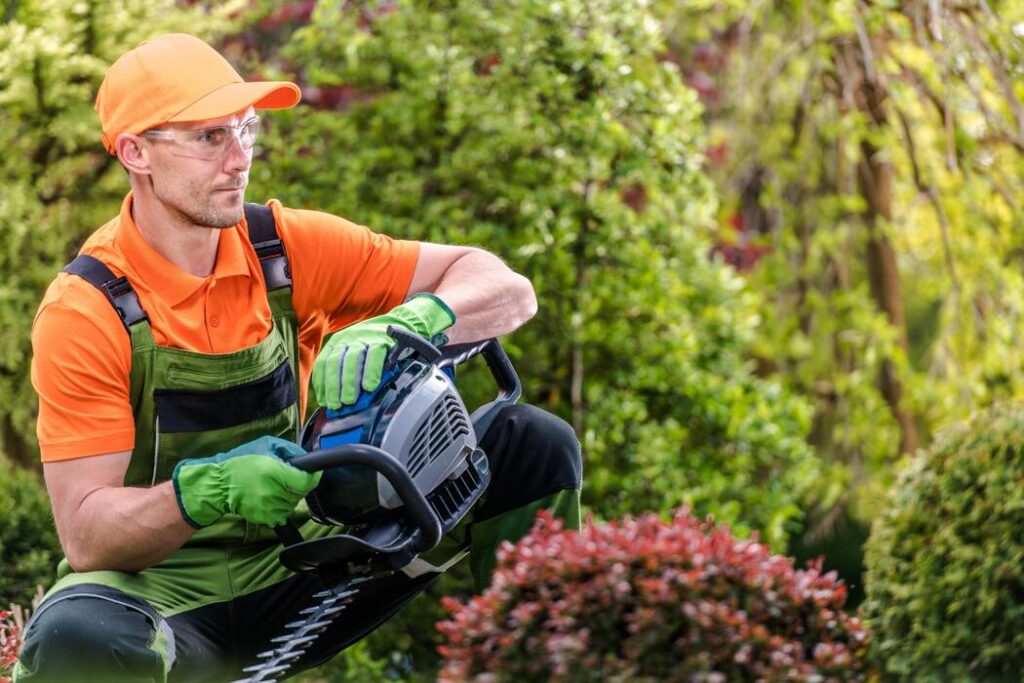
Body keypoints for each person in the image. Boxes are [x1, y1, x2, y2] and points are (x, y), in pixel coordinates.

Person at [16, 33, 582, 682]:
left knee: (529, 443)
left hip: (305, 560)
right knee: (75, 634)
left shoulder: (280, 248)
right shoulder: (87, 309)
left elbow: (505, 287)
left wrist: (421, 318)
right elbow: (87, 535)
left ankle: (550, 664)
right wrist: (206, 490)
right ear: (136, 151)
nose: (239, 159)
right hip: (159, 601)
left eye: (246, 129)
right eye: (209, 138)